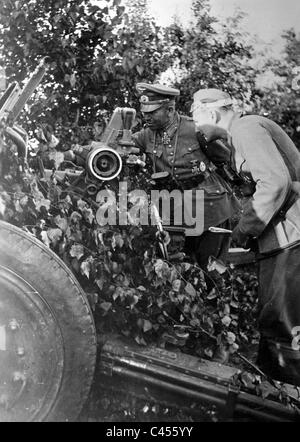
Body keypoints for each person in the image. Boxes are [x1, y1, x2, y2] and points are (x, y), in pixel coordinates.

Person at [192, 87, 300, 386]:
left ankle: (283, 401)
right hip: (283, 239)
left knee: (284, 324)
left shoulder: (246, 128)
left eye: (197, 121)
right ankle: (274, 391)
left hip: (292, 237)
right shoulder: (239, 137)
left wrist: (245, 229)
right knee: (276, 321)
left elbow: (275, 183)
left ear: (211, 114)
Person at [132, 83, 238, 272]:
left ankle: (218, 299)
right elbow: (120, 146)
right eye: (144, 112)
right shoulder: (147, 135)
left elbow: (228, 160)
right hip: (177, 211)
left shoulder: (196, 128)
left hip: (210, 208)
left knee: (212, 272)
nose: (146, 116)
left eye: (152, 112)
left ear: (170, 109)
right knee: (182, 270)